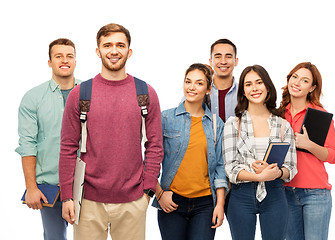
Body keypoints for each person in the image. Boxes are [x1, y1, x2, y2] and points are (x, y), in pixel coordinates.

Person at [59, 23, 163, 240]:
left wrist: (148, 191)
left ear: (129, 51)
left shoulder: (145, 93)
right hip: (87, 202)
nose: (114, 51)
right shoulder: (80, 94)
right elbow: (68, 147)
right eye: (107, 45)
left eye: (120, 45)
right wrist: (67, 196)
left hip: (133, 202)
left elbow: (154, 145)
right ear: (98, 51)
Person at [152, 63, 228, 240]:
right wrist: (159, 194)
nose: (192, 87)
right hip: (171, 202)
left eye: (199, 83)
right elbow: (150, 159)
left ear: (209, 89)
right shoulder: (165, 118)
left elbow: (220, 167)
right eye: (188, 82)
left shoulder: (217, 125)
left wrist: (220, 205)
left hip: (205, 204)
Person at [222, 65, 297, 240]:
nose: (254, 88)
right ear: (243, 92)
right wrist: (258, 177)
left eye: (259, 82)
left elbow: (291, 167)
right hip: (241, 194)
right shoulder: (233, 124)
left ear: (267, 87)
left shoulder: (282, 125)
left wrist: (276, 172)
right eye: (248, 84)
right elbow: (230, 168)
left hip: (275, 193)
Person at [16, 38, 79, 240]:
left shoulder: (90, 93)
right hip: (50, 186)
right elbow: (27, 145)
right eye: (58, 56)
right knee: (54, 238)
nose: (64, 60)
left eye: (69, 56)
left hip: (86, 184)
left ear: (75, 61)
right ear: (50, 62)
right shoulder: (33, 98)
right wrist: (31, 188)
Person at [278, 62, 335, 240]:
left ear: (312, 88)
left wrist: (309, 145)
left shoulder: (319, 115)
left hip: (316, 194)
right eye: (295, 77)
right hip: (285, 192)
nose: (297, 83)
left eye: (305, 80)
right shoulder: (278, 115)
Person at [208, 38, 239, 122]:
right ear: (211, 62)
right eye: (218, 57)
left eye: (228, 56)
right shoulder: (200, 91)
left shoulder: (244, 92)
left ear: (236, 61)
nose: (223, 61)